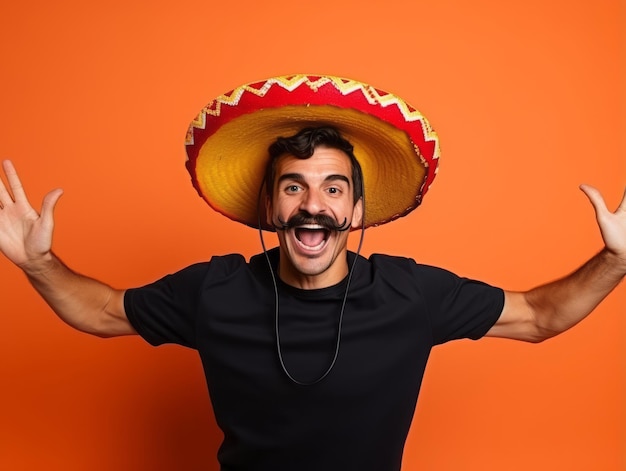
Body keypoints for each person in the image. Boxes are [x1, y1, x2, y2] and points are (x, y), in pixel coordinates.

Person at [0, 75, 624, 471]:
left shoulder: (410, 292)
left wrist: (616, 259)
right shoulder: (214, 290)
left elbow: (541, 316)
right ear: (271, 207)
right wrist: (39, 263)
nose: (313, 205)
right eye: (293, 187)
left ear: (355, 209)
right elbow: (104, 311)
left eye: (333, 188)